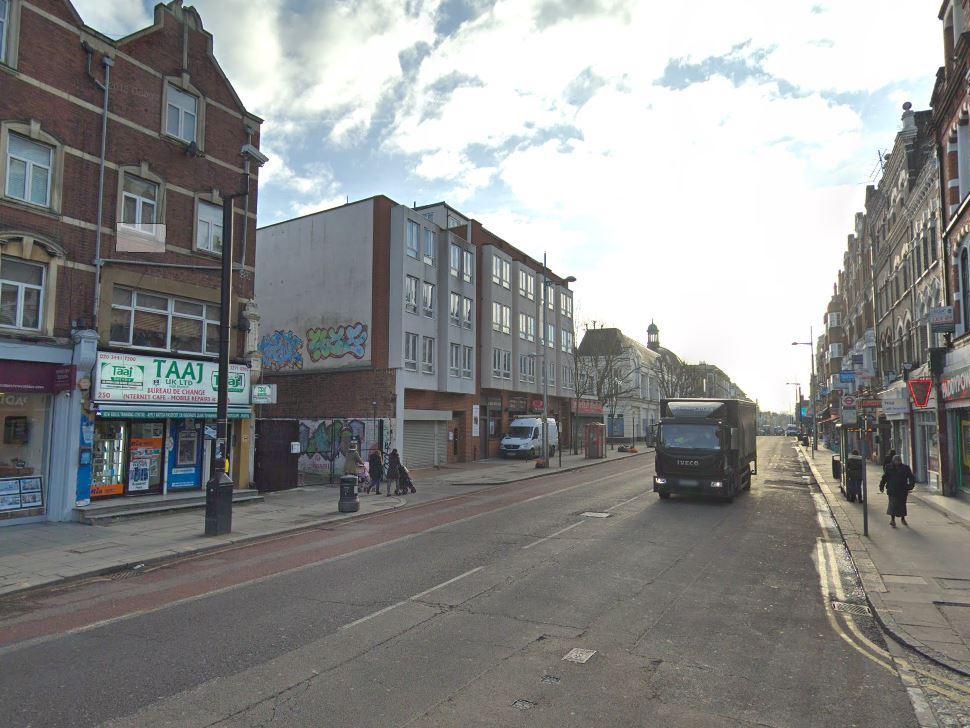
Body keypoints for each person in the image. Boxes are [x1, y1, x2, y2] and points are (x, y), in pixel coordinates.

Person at [879, 454, 915, 528]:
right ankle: (892, 520)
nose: (897, 462)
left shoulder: (905, 468)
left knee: (902, 505)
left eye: (899, 461)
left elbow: (911, 477)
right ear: (893, 461)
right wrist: (881, 486)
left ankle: (903, 518)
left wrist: (910, 486)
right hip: (892, 490)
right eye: (896, 461)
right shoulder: (889, 468)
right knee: (892, 505)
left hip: (902, 490)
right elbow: (884, 478)